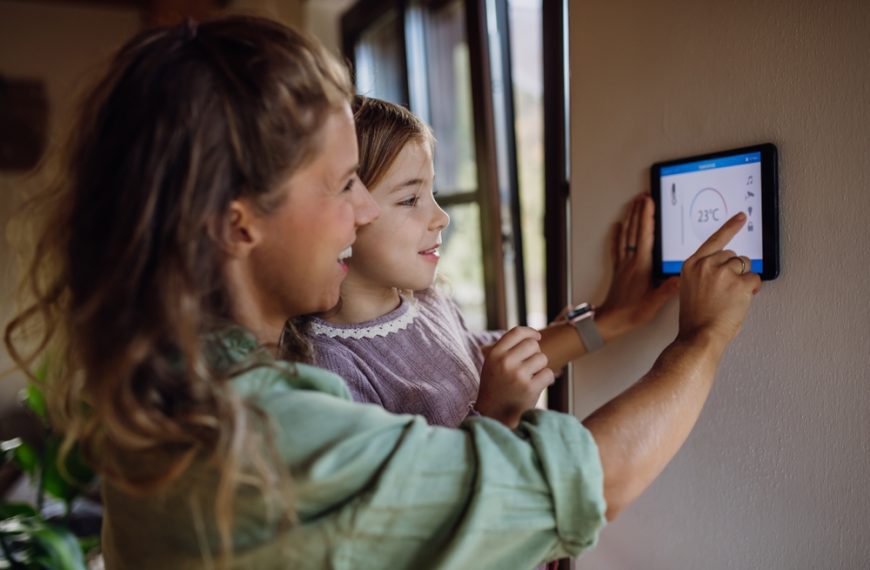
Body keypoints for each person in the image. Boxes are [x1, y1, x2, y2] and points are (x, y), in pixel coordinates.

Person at [4, 15, 761, 569]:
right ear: (238, 223)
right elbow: (579, 483)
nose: (363, 210)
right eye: (342, 186)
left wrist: (611, 318)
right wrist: (704, 338)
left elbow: (493, 352)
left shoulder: (193, 373)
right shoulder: (264, 431)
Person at [307, 95, 679, 428]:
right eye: (409, 199)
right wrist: (494, 415)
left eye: (431, 193)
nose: (442, 217)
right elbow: (421, 498)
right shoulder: (330, 367)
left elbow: (482, 360)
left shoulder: (427, 301)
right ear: (344, 213)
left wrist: (612, 320)